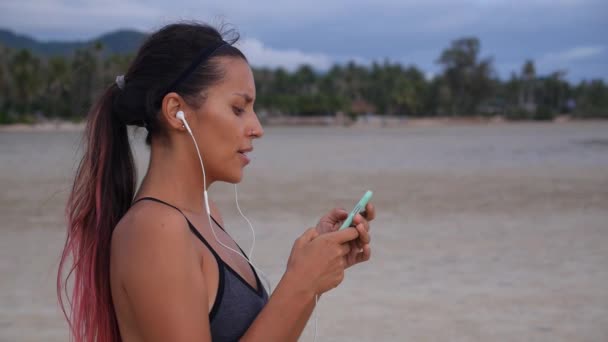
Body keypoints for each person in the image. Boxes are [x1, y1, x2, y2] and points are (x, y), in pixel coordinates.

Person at [57, 22, 375, 342]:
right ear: (176, 111)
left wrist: (313, 274)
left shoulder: (207, 217)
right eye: (238, 109)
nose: (257, 127)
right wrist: (301, 283)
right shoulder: (154, 230)